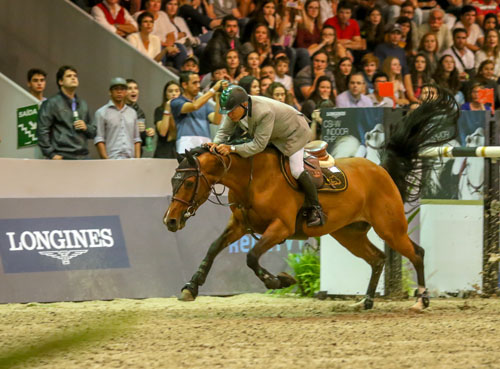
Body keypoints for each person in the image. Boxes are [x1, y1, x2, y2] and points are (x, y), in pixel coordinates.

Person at [209, 85, 326, 227]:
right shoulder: (235, 109)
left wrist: (231, 148)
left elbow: (258, 145)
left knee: (296, 170)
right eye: (226, 112)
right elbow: (224, 132)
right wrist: (215, 144)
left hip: (294, 132)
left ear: (244, 104)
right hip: (274, 134)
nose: (229, 115)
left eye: (231, 111)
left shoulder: (263, 112)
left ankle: (316, 208)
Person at [37, 66, 96, 160]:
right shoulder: (51, 103)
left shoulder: (83, 104)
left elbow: (93, 131)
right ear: (60, 81)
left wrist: (86, 127)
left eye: (75, 76)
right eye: (69, 76)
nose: (73, 78)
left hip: (83, 156)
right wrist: (51, 154)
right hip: (62, 156)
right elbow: (42, 130)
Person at [170, 72, 225, 152]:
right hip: (185, 142)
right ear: (184, 85)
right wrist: (213, 89)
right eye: (194, 83)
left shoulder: (204, 104)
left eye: (199, 82)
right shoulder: (176, 102)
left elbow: (216, 120)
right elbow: (194, 106)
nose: (198, 86)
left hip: (205, 142)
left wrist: (218, 98)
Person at [94, 78, 142, 159]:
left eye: (122, 89)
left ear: (126, 92)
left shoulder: (132, 113)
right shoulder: (101, 112)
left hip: (130, 159)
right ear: (110, 92)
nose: (119, 92)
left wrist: (137, 159)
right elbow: (99, 139)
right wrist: (106, 159)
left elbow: (136, 139)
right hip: (111, 158)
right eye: (116, 89)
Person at [125, 79, 155, 152]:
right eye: (129, 88)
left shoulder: (139, 112)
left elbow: (142, 141)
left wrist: (148, 134)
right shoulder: (118, 110)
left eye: (136, 88)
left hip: (136, 153)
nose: (133, 91)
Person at [154, 81, 181, 158]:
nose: (174, 94)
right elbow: (163, 132)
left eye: (176, 91)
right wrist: (167, 109)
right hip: (164, 152)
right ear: (165, 94)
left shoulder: (184, 111)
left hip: (180, 152)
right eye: (170, 91)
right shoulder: (159, 110)